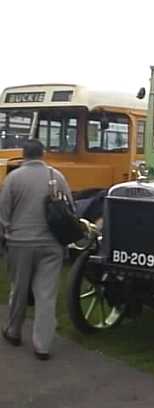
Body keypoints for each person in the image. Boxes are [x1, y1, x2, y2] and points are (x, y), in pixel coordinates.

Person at [0, 139, 73, 360]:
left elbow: (4, 214)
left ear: (23, 155)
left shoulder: (13, 178)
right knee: (46, 295)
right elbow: (70, 208)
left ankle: (13, 331)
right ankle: (42, 346)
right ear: (43, 154)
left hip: (20, 243)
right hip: (51, 245)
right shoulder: (56, 176)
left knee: (19, 289)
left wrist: (7, 235)